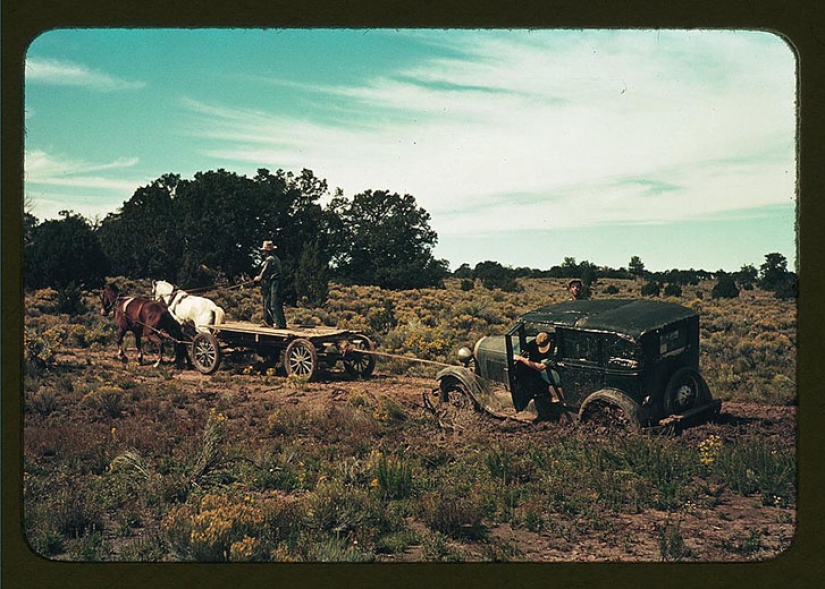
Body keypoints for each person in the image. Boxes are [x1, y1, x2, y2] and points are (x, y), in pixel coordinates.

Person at [513, 331, 565, 406]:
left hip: (556, 370)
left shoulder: (555, 349)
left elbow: (540, 367)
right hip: (543, 365)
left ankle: (553, 398)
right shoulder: (534, 343)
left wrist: (522, 359)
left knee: (544, 373)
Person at [253, 240, 287, 328]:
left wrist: (258, 278)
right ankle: (270, 322)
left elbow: (264, 272)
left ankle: (279, 324)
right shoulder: (276, 259)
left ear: (267, 251)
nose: (263, 252)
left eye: (264, 250)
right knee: (270, 302)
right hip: (275, 282)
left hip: (274, 282)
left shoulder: (270, 259)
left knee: (273, 303)